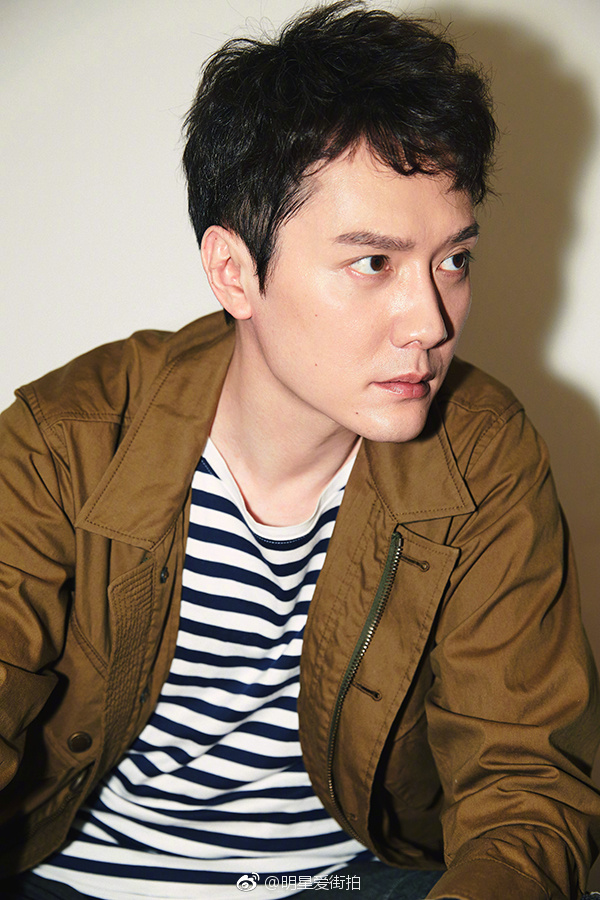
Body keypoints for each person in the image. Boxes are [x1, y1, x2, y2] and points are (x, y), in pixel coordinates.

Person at [1, 2, 599, 898]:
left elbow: (526, 785)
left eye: (453, 260)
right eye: (373, 263)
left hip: (353, 885)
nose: (431, 323)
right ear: (234, 271)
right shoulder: (68, 441)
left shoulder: (484, 455)